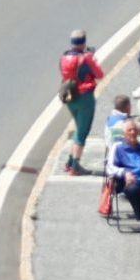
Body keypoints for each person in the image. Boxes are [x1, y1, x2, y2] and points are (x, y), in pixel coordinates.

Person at [57, 28, 104, 177]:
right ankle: (75, 166)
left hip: (70, 96)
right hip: (85, 97)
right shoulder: (86, 58)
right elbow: (99, 74)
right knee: (82, 132)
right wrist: (92, 58)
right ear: (84, 42)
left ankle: (70, 162)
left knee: (78, 129)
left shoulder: (64, 57)